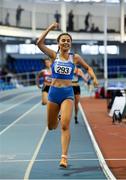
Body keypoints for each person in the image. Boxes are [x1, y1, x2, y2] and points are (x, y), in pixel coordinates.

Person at [36, 22, 98, 168]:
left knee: (65, 125)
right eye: (63, 40)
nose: (65, 42)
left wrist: (93, 77)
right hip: (53, 93)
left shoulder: (74, 58)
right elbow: (39, 43)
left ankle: (64, 157)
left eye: (68, 41)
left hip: (67, 94)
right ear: (58, 43)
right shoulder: (53, 55)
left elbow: (88, 67)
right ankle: (57, 117)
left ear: (70, 44)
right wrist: (50, 28)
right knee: (51, 126)